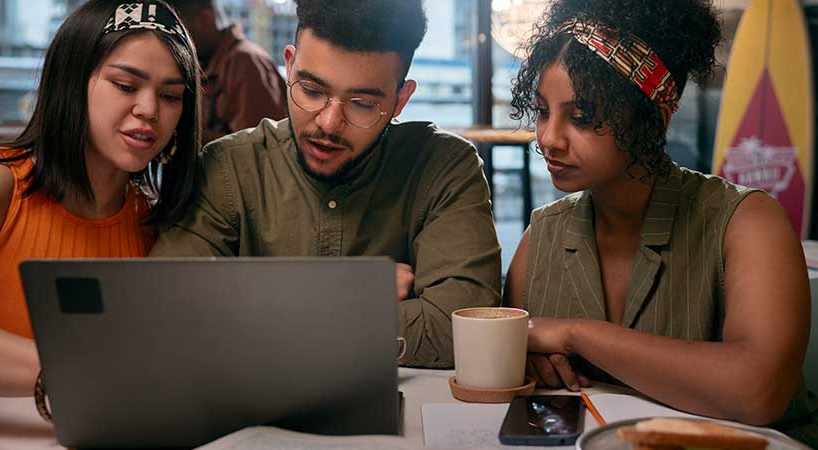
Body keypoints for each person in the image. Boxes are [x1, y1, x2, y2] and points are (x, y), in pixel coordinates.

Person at [504, 0, 816, 445]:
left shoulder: (747, 223)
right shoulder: (541, 237)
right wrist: (530, 363)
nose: (549, 138)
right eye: (541, 111)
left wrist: (575, 334)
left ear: (654, 114)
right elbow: (520, 363)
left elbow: (757, 390)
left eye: (581, 117)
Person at [151, 0, 502, 368]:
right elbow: (170, 311)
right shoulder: (227, 168)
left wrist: (260, 309)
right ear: (288, 66)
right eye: (312, 91)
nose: (329, 123)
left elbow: (458, 332)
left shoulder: (445, 169)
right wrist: (350, 291)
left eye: (362, 103)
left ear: (401, 100)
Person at [0, 0, 201, 397]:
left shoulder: (157, 229)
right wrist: (70, 374)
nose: (149, 109)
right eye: (125, 85)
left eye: (171, 96)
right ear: (72, 81)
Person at [165, 0, 287, 142]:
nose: (177, 40)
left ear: (204, 18)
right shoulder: (206, 63)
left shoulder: (245, 62)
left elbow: (258, 146)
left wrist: (184, 136)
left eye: (182, 31)